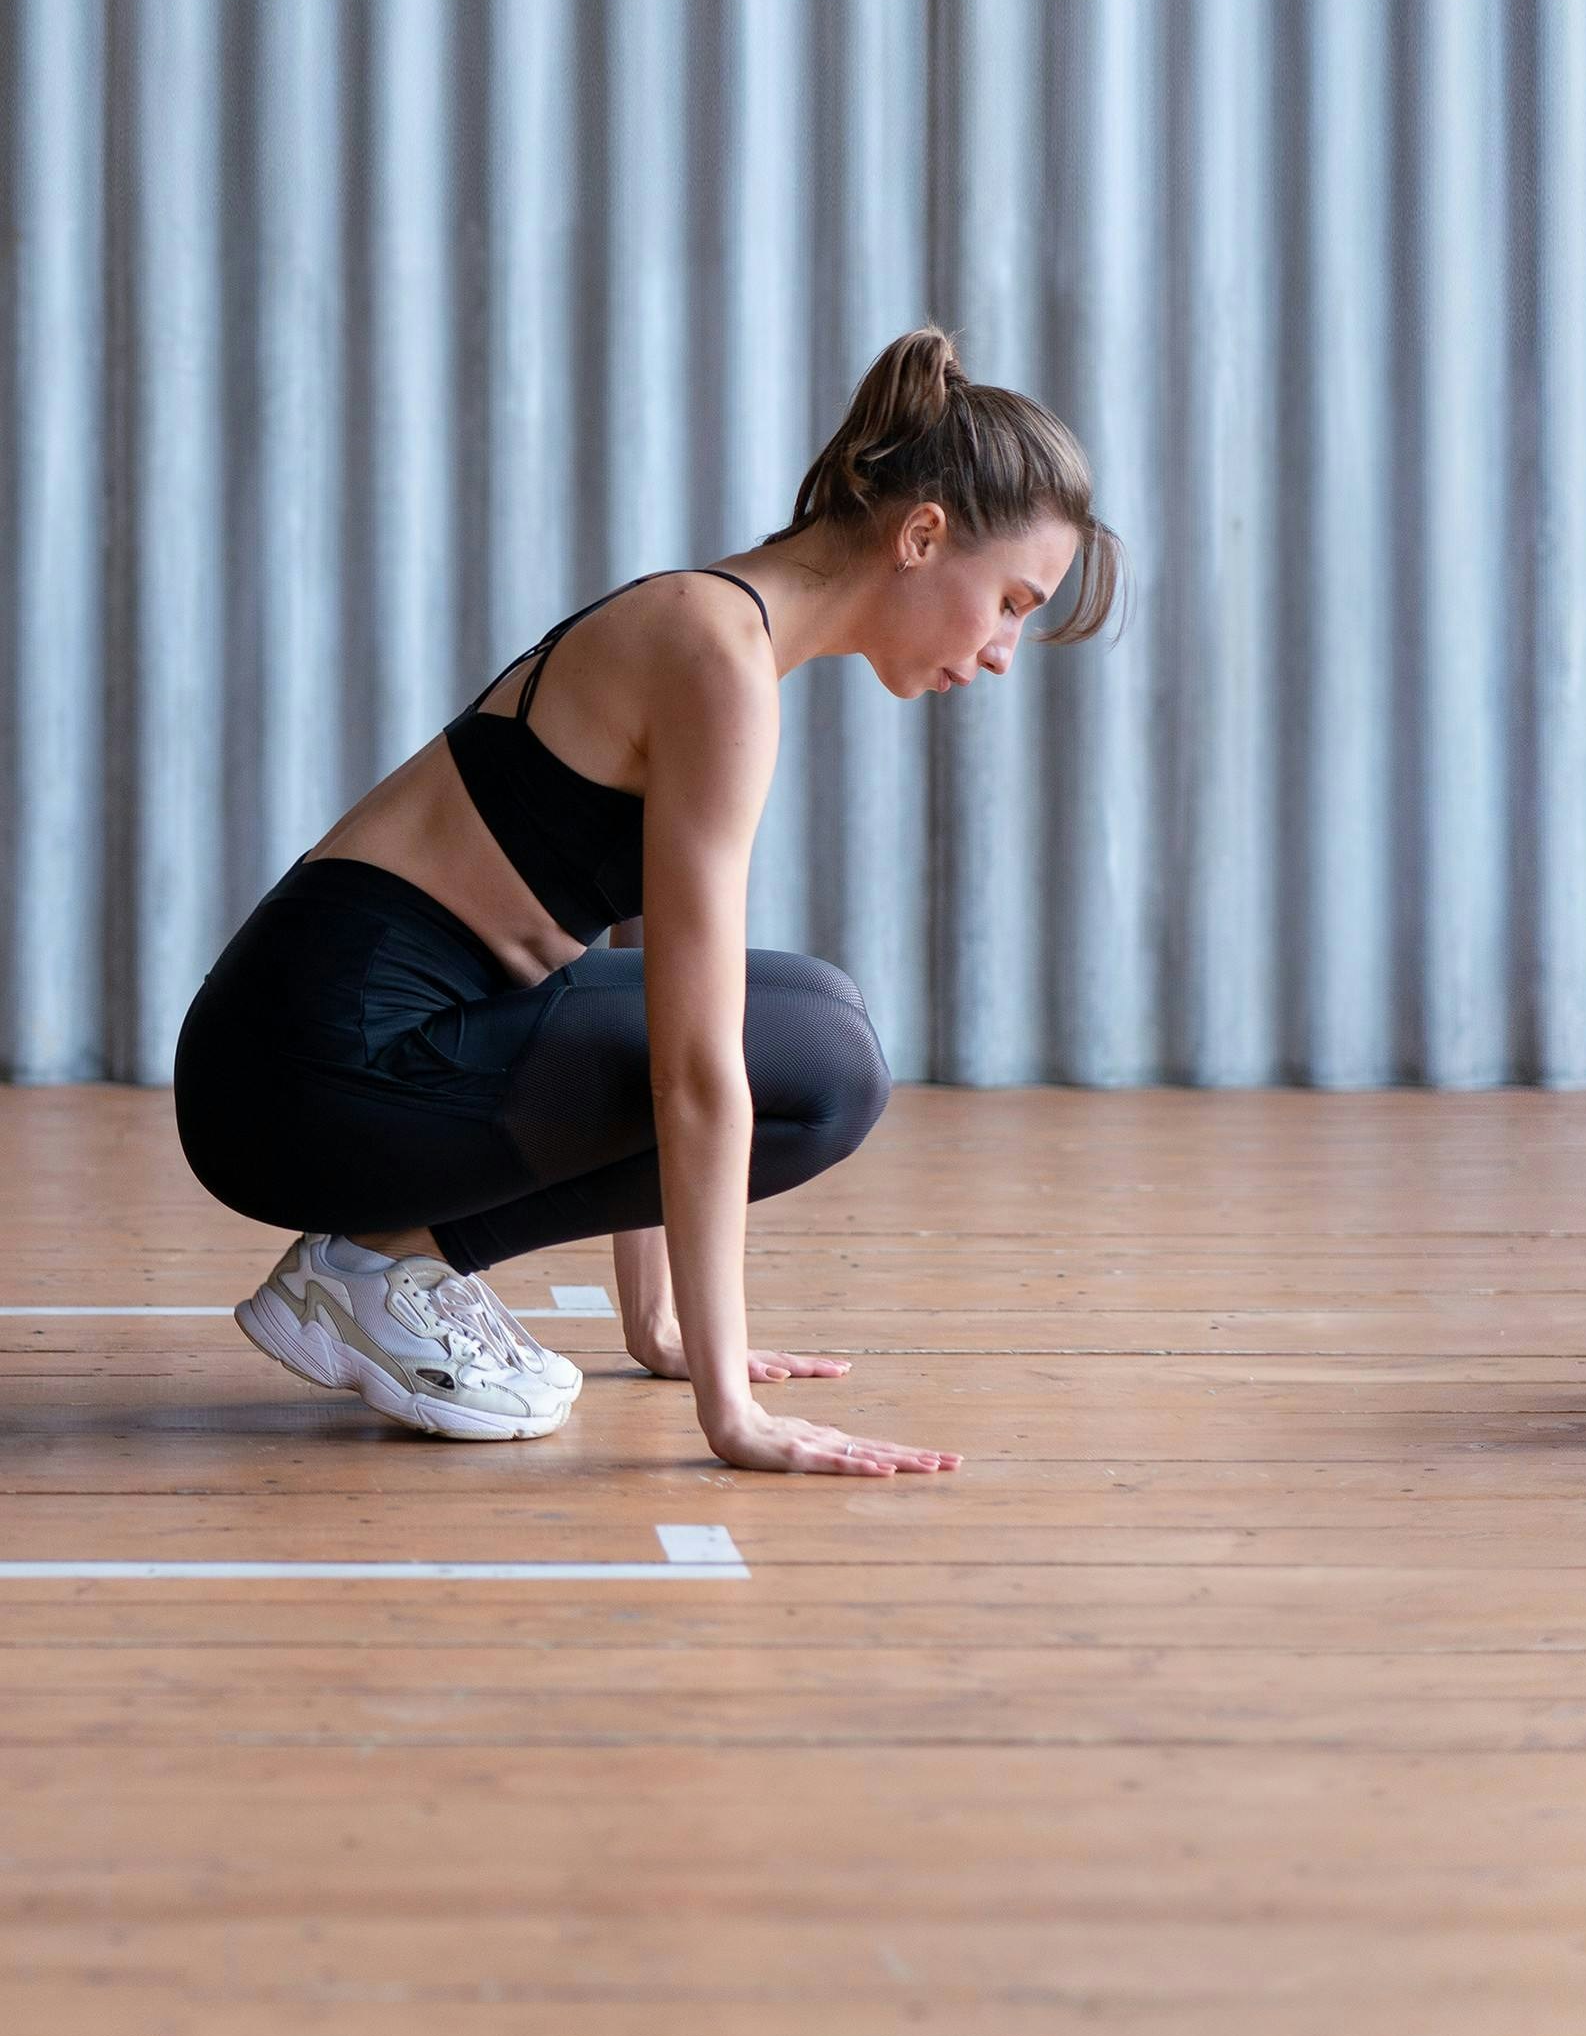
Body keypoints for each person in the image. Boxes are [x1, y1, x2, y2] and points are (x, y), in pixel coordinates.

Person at [168, 330, 1117, 1475]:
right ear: (922, 535)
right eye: (1010, 601)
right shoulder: (716, 658)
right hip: (300, 1077)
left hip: (306, 1049)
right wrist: (732, 1411)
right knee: (822, 1062)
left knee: (812, 1004)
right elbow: (694, 1070)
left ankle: (379, 1262)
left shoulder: (718, 632)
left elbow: (653, 977)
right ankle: (367, 1270)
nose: (1007, 649)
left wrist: (659, 1329)